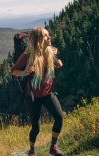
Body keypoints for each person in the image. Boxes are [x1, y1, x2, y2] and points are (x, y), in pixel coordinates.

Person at [11, 26, 64, 156]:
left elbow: (53, 60)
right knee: (36, 127)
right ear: (37, 39)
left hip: (47, 93)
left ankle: (53, 147)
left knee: (59, 117)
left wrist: (58, 63)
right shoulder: (27, 56)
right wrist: (24, 72)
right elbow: (13, 71)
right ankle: (32, 150)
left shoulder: (50, 51)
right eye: (45, 35)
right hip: (33, 96)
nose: (49, 37)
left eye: (48, 35)